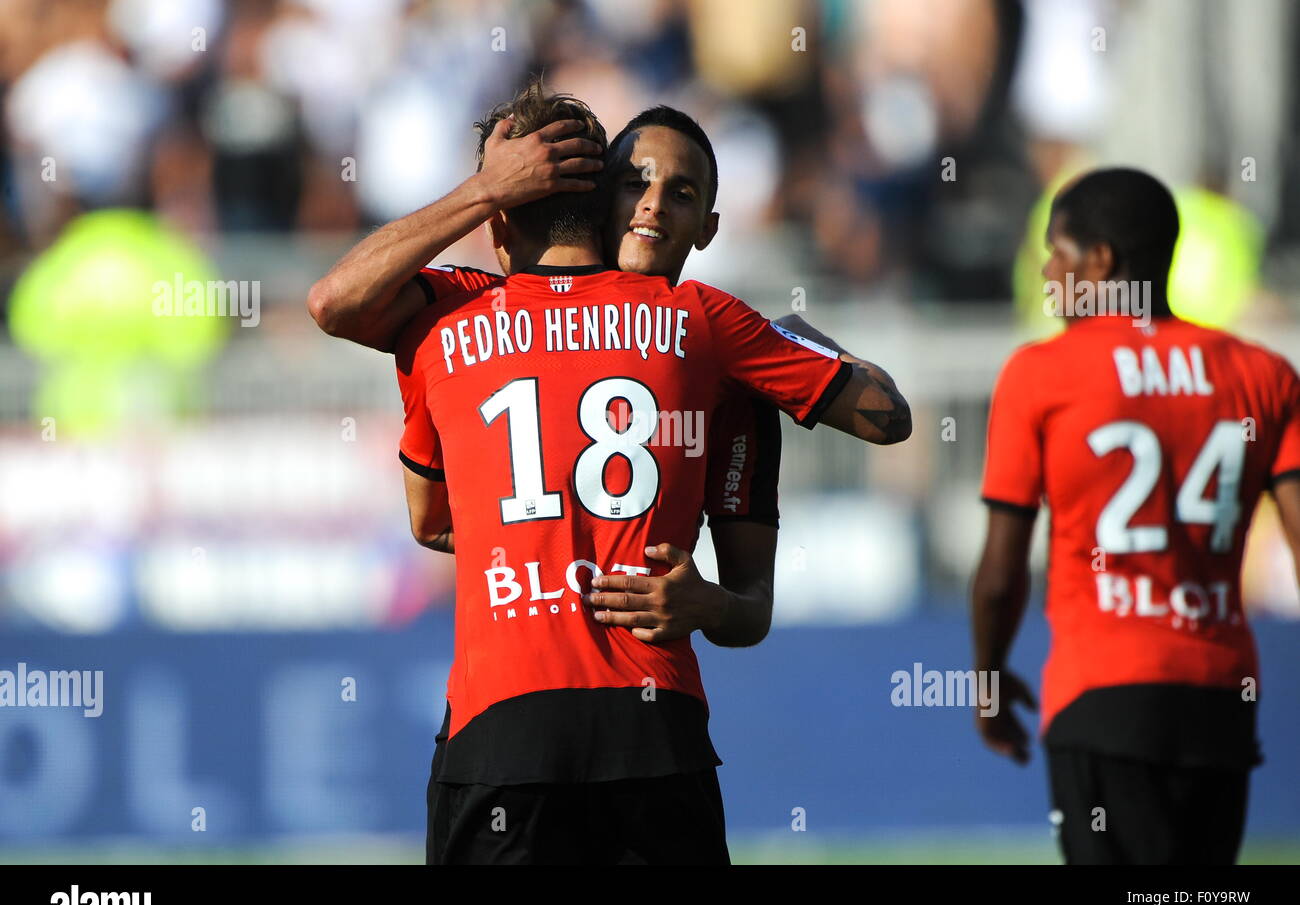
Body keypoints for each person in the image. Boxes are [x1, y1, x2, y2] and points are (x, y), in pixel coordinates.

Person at [314, 80, 909, 864]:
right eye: (636, 183)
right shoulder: (707, 324)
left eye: (680, 192)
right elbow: (887, 416)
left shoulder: (442, 321)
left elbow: (425, 509)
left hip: (500, 732)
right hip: (653, 731)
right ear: (599, 204)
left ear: (498, 220)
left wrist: (538, 549)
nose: (654, 206)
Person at [971, 167, 1300, 864]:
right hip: (1220, 700)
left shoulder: (1040, 373)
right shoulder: (1263, 374)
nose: (1047, 271)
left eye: (1057, 252)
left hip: (1102, 695)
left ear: (1101, 262)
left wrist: (990, 675)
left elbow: (1001, 570)